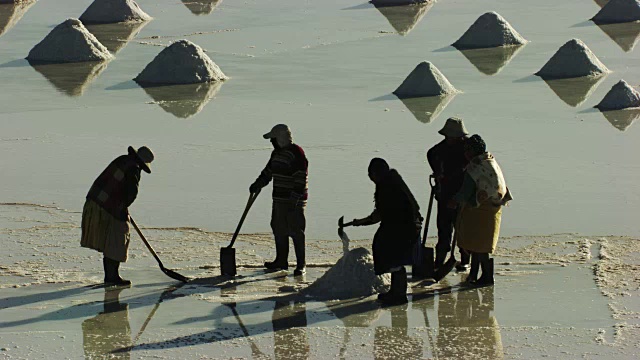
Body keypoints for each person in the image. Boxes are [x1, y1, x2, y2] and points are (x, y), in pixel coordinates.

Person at [349, 158, 422, 305]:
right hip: (406, 225)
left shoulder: (387, 187)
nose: (370, 178)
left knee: (394, 257)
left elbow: (378, 215)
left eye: (371, 174)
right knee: (394, 258)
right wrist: (361, 222)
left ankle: (399, 294)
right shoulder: (394, 181)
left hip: (403, 228)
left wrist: (362, 222)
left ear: (376, 174)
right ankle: (395, 291)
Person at [81, 146, 154, 286]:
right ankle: (112, 276)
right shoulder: (133, 168)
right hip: (107, 204)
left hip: (96, 200)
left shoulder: (123, 160)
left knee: (112, 238)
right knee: (119, 236)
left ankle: (111, 275)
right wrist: (123, 206)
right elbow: (131, 193)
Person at [449, 134, 512, 285]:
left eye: (466, 150)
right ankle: (475, 275)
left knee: (477, 245)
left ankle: (486, 277)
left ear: (471, 151)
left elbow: (465, 191)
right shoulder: (489, 160)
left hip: (478, 209)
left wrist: (453, 201)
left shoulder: (475, 167)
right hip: (493, 209)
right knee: (481, 245)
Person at [250, 124, 309, 276]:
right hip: (279, 199)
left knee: (296, 230)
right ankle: (281, 261)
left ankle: (301, 264)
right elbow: (268, 172)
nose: (271, 142)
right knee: (278, 228)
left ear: (281, 139)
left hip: (294, 201)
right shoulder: (276, 154)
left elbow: (300, 178)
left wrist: (294, 199)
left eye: (273, 139)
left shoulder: (296, 153)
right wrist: (257, 184)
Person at [427, 117, 471, 271]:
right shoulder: (440, 149)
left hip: (463, 195)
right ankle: (439, 261)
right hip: (445, 193)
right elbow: (430, 154)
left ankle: (465, 260)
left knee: (463, 230)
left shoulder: (468, 148)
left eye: (455, 137)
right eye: (449, 137)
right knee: (444, 229)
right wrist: (438, 173)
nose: (451, 140)